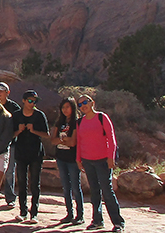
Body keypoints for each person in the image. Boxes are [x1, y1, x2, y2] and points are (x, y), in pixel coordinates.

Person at [76, 94, 124, 232]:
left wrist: (111, 157)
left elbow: (111, 138)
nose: (83, 105)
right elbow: (80, 142)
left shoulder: (102, 117)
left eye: (85, 102)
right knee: (94, 191)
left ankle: (118, 223)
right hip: (87, 160)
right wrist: (78, 159)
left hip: (103, 160)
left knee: (107, 191)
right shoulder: (80, 122)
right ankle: (97, 221)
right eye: (80, 104)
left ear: (92, 103)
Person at [12, 89, 50, 223]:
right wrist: (19, 130)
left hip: (36, 153)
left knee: (35, 184)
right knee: (22, 183)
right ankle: (23, 211)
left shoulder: (39, 115)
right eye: (30, 101)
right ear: (23, 101)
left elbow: (47, 134)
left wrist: (34, 131)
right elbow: (10, 135)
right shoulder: (16, 116)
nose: (32, 103)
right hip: (21, 153)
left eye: (34, 101)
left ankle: (34, 213)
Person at [51, 96, 83, 224]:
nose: (65, 110)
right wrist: (63, 140)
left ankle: (80, 215)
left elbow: (73, 142)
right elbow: (52, 140)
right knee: (66, 187)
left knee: (76, 186)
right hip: (61, 158)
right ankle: (69, 214)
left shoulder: (76, 122)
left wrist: (61, 140)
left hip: (73, 159)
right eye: (63, 107)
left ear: (73, 107)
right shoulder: (60, 123)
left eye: (67, 107)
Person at [0, 82, 20, 208]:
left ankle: (10, 197)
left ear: (7, 93)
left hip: (11, 144)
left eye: (1, 92)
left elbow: (19, 125)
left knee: (9, 171)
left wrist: (12, 135)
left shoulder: (14, 107)